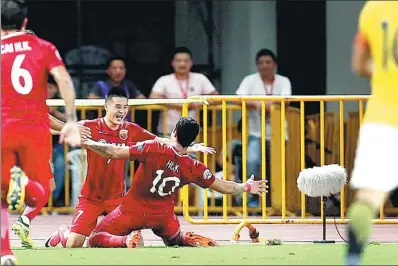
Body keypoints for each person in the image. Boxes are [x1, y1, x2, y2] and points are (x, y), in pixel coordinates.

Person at [44, 87, 215, 248]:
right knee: (74, 244)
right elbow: (58, 127)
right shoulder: (90, 126)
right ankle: (63, 233)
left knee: (131, 239)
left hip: (118, 199)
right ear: (106, 106)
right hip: (91, 198)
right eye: (117, 106)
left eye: (125, 107)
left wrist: (190, 147)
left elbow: (160, 141)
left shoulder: (131, 129)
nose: (122, 111)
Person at [76, 117, 266, 248]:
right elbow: (224, 186)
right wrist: (247, 186)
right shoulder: (194, 166)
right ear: (191, 141)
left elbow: (113, 152)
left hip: (132, 211)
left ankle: (125, 241)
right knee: (174, 241)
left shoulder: (153, 148)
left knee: (94, 238)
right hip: (163, 217)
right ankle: (185, 238)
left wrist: (88, 142)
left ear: (174, 132)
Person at [1, 0, 80, 264]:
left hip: (5, 129)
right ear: (24, 23)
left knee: (4, 193)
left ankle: (6, 250)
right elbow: (63, 84)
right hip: (32, 131)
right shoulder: (42, 49)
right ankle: (22, 193)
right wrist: (71, 122)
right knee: (44, 189)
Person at [345, 2, 398, 266]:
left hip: (383, 116)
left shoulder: (374, 9)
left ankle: (353, 258)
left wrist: (385, 74)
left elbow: (359, 65)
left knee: (368, 198)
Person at [149, 46, 219, 136]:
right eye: (178, 61)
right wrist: (180, 105)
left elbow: (216, 97)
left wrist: (197, 104)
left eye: (186, 61)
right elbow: (153, 97)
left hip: (193, 132)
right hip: (167, 131)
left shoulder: (200, 78)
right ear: (172, 63)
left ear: (191, 63)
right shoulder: (164, 80)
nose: (182, 64)